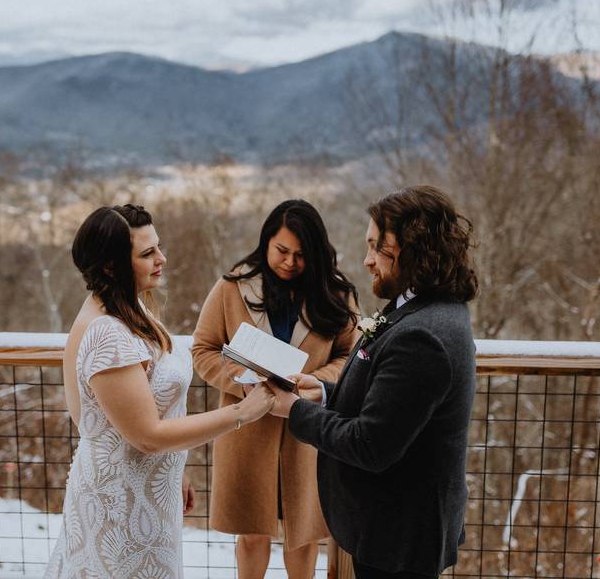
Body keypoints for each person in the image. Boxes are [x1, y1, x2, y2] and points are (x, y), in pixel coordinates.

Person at [44, 205, 275, 579]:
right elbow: (146, 435)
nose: (161, 259)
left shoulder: (128, 309)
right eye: (147, 253)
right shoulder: (107, 332)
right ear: (110, 266)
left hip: (146, 494)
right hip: (121, 507)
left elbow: (126, 415)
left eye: (158, 248)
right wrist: (242, 413)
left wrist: (173, 467)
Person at [268, 186, 479, 578]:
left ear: (412, 249)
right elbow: (392, 402)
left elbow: (371, 444)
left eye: (376, 247)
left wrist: (294, 410)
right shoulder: (421, 307)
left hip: (398, 537)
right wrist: (326, 392)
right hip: (391, 528)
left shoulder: (424, 336)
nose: (367, 261)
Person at [191, 199, 360, 579]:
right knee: (251, 536)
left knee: (303, 538)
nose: (289, 261)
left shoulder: (336, 294)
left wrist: (316, 382)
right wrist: (243, 382)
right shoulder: (230, 288)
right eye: (282, 250)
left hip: (309, 431)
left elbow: (351, 355)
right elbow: (202, 351)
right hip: (246, 428)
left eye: (301, 255)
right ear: (266, 241)